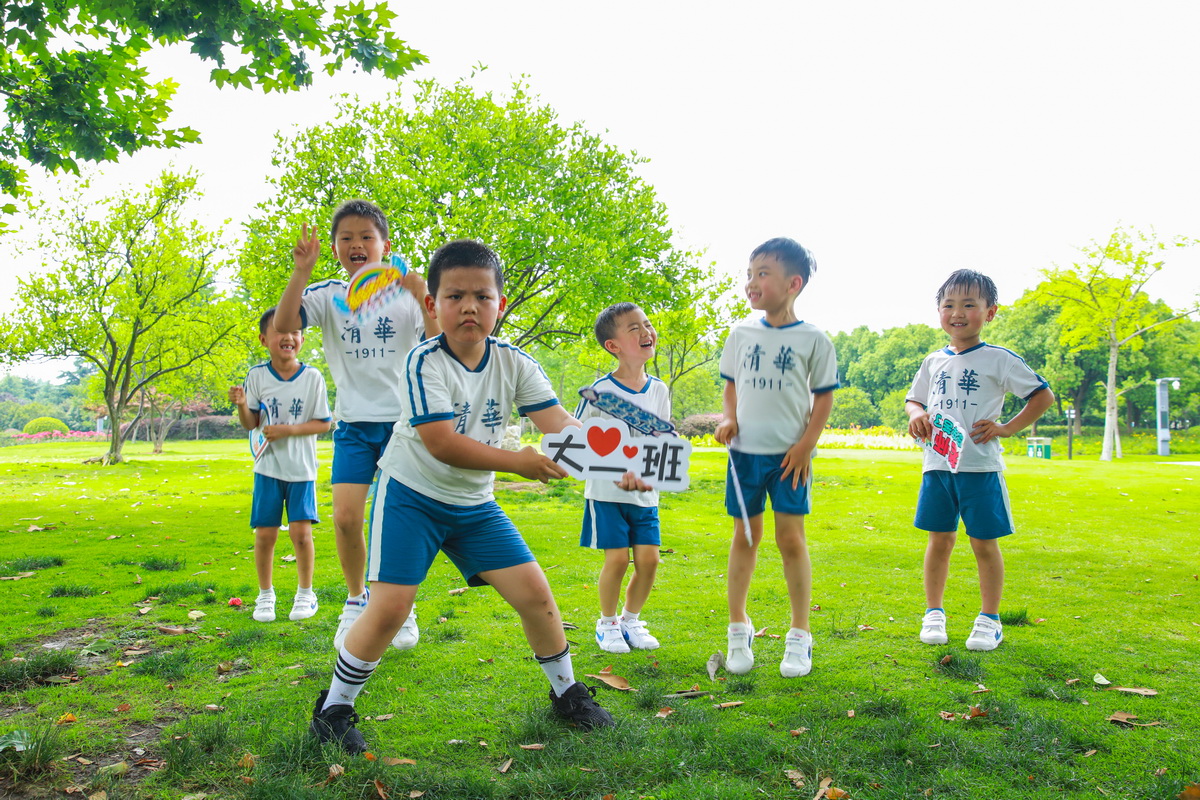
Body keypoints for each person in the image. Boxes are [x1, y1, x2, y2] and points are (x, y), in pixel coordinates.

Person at [309, 239, 642, 753]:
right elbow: (442, 444)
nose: (469, 307)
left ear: (500, 305)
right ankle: (332, 711)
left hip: (474, 506)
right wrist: (522, 463)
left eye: (482, 296)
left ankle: (567, 694)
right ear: (432, 305)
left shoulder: (516, 363)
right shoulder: (424, 361)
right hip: (411, 496)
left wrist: (622, 464)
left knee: (536, 596)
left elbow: (562, 426)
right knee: (391, 607)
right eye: (455, 295)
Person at [275, 200, 439, 651]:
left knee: (396, 522)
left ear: (385, 245)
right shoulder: (328, 295)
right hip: (353, 426)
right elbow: (286, 326)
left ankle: (401, 605)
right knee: (347, 518)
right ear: (334, 249)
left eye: (367, 236)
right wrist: (301, 272)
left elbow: (436, 340)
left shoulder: (408, 294)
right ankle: (355, 600)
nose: (357, 244)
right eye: (346, 238)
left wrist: (421, 290)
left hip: (404, 426)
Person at [906, 269, 1053, 651]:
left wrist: (1006, 428)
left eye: (969, 304)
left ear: (989, 313)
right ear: (939, 311)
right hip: (938, 467)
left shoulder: (999, 360)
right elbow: (914, 399)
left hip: (980, 469)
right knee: (939, 540)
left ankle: (989, 620)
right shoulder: (932, 361)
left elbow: (1042, 396)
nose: (958, 312)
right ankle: (933, 613)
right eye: (949, 305)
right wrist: (914, 415)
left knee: (983, 543)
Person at [713, 237, 838, 678]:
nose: (751, 282)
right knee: (745, 538)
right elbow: (731, 386)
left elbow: (823, 399)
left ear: (793, 283)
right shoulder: (740, 334)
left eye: (762, 273)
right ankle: (737, 627)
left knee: (790, 540)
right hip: (743, 456)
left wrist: (806, 445)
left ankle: (800, 636)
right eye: (749, 274)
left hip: (791, 459)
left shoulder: (814, 339)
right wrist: (729, 418)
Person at [576, 303, 669, 654]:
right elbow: (580, 437)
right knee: (616, 559)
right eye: (634, 328)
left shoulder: (658, 389)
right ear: (612, 345)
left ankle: (631, 620)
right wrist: (618, 468)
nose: (646, 332)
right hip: (607, 494)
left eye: (647, 324)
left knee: (649, 561)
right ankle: (608, 624)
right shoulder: (598, 391)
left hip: (646, 494)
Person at [229, 308, 333, 623]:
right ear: (264, 339)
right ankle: (265, 595)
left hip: (302, 469)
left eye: (295, 332)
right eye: (279, 331)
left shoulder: (312, 376)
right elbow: (252, 423)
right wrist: (241, 405)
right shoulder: (257, 376)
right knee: (265, 535)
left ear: (301, 338)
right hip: (267, 468)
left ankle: (305, 593)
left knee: (301, 534)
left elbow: (323, 424)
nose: (288, 337)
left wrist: (287, 431)